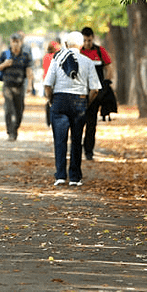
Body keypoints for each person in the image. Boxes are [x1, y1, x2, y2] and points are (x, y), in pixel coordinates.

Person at [42, 31, 101, 186]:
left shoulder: (57, 59)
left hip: (60, 101)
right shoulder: (88, 62)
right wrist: (86, 103)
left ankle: (60, 175)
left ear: (66, 45)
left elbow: (48, 85)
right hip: (79, 102)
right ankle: (74, 177)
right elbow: (95, 89)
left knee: (59, 140)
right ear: (81, 46)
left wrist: (50, 100)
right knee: (76, 139)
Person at [79, 27, 113, 161]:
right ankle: (78, 147)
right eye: (85, 40)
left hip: (95, 93)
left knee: (91, 123)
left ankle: (89, 150)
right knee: (78, 122)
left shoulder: (99, 51)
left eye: (89, 40)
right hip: (80, 91)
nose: (87, 43)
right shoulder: (79, 52)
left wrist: (106, 83)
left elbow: (109, 67)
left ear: (93, 38)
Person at [0, 33, 34, 141]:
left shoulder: (25, 55)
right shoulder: (5, 54)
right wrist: (5, 64)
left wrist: (30, 85)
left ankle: (15, 129)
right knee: (9, 109)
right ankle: (10, 132)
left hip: (20, 86)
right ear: (11, 42)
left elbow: (29, 71)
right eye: (14, 41)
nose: (16, 44)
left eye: (18, 42)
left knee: (19, 110)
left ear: (21, 43)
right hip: (7, 86)